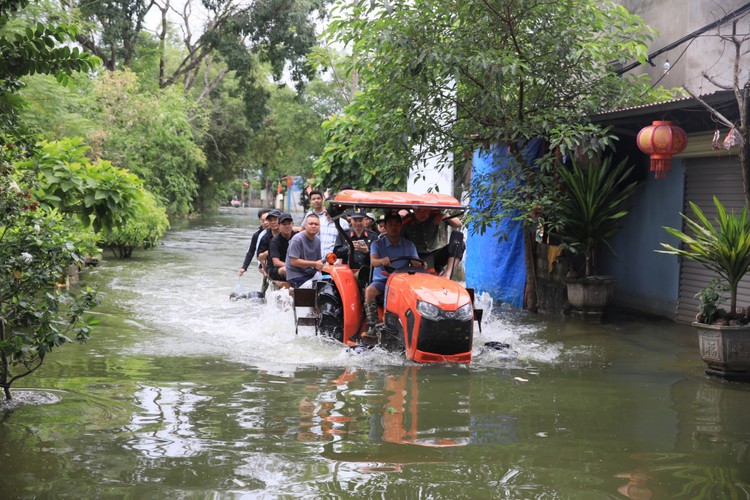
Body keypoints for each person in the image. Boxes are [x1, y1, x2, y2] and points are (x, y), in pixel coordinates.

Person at [363, 212, 422, 339]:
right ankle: (372, 326)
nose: (394, 227)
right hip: (383, 280)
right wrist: (382, 261)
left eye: (396, 224)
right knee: (369, 291)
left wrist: (420, 264)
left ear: (401, 226)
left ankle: (416, 329)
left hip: (403, 282)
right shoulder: (377, 244)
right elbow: (373, 261)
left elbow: (416, 262)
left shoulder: (409, 245)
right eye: (390, 224)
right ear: (385, 226)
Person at [401, 207, 465, 278]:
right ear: (413, 210)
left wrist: (445, 216)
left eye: (425, 210)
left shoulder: (435, 217)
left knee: (459, 241)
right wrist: (411, 257)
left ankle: (447, 274)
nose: (422, 214)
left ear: (430, 210)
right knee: (429, 278)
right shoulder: (406, 222)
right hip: (418, 257)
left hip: (436, 254)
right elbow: (398, 240)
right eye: (418, 211)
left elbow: (458, 224)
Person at [286, 213, 325, 288]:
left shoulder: (317, 240)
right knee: (312, 288)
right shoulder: (297, 239)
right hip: (296, 275)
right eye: (311, 224)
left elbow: (318, 261)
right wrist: (314, 264)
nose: (313, 226)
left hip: (311, 273)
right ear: (305, 226)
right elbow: (293, 262)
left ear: (319, 226)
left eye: (316, 224)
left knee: (328, 284)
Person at [304, 189, 347, 256]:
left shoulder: (343, 223)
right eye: (327, 209)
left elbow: (345, 244)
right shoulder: (319, 221)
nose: (328, 211)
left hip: (335, 260)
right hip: (319, 259)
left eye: (318, 198)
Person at [239, 208, 270, 276]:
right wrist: (244, 267)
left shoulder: (279, 231)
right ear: (260, 221)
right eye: (263, 221)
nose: (265, 222)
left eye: (267, 219)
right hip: (263, 263)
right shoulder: (257, 235)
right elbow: (251, 251)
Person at [268, 212, 297, 281]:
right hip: (277, 269)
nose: (287, 226)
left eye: (289, 223)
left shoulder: (297, 237)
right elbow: (276, 263)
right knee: (285, 270)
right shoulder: (275, 241)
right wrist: (293, 266)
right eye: (284, 224)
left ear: (292, 224)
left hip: (294, 266)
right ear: (279, 226)